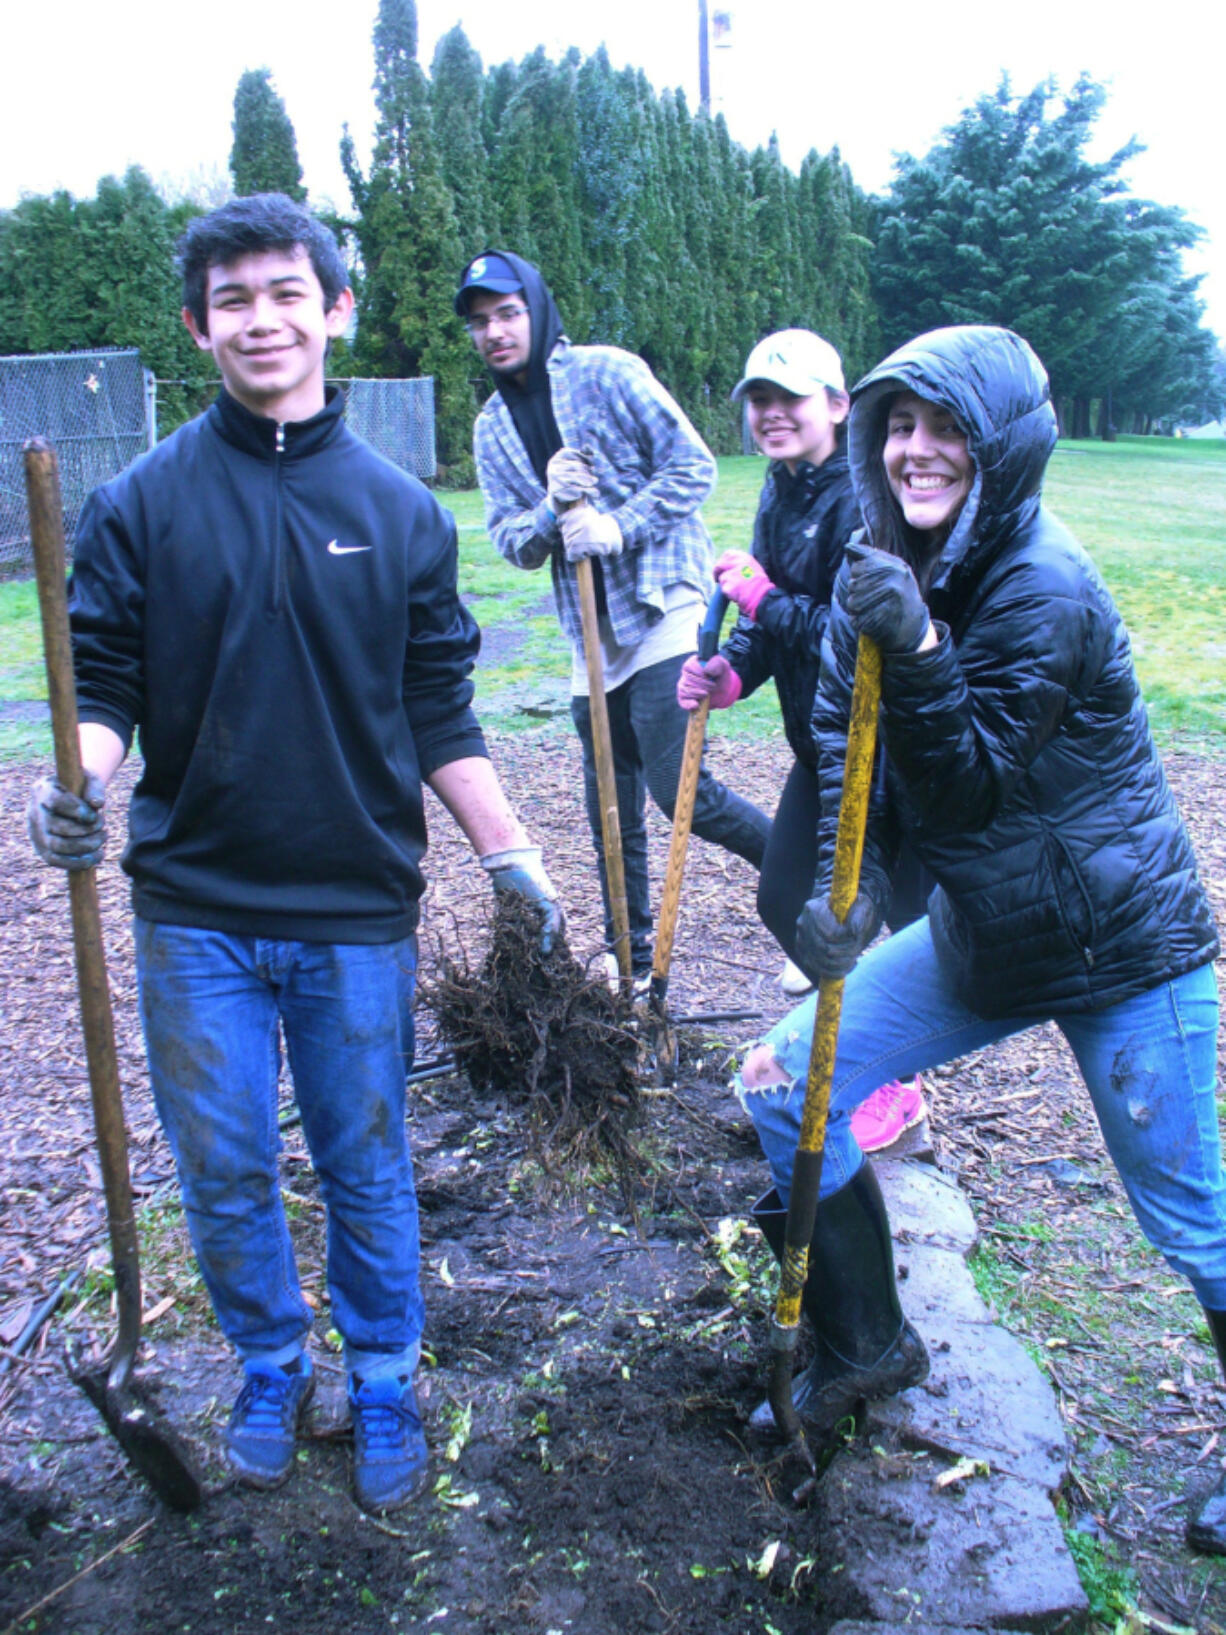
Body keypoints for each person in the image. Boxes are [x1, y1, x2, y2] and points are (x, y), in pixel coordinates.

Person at [26, 194, 561, 1516]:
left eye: (283, 292)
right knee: (221, 1164)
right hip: (192, 902)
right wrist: (78, 786)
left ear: (333, 310)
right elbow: (100, 683)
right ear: (200, 326)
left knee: (364, 1155)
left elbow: (437, 706)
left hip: (349, 903)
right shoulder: (140, 504)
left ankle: (381, 1371)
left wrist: (509, 855)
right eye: (231, 300)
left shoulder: (399, 512)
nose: (258, 319)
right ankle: (272, 1359)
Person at [733, 324, 1225, 1556]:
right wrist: (850, 892)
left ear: (1001, 444)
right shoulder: (886, 555)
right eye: (896, 426)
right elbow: (857, 739)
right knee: (781, 1080)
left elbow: (971, 787)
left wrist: (920, 644)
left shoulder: (1039, 581)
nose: (914, 450)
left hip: (1118, 945)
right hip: (981, 932)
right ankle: (865, 1343)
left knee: (1187, 1216)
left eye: (943, 427)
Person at [456, 251, 770, 989]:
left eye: (507, 312)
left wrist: (618, 526)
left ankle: (800, 879)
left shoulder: (608, 372)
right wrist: (549, 507)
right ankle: (628, 956)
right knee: (610, 804)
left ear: (536, 309)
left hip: (664, 599)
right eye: (480, 322)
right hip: (588, 632)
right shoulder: (492, 428)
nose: (495, 332)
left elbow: (694, 467)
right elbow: (512, 542)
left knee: (676, 790)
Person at [676, 330, 927, 1153]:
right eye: (759, 399)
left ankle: (894, 1077)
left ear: (838, 405)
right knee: (784, 899)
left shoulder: (865, 501)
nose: (771, 413)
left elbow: (850, 639)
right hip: (820, 745)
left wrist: (758, 597)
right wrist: (733, 675)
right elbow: (772, 622)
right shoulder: (780, 489)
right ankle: (868, 1053)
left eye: (790, 397)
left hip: (881, 751)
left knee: (878, 915)